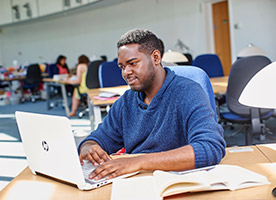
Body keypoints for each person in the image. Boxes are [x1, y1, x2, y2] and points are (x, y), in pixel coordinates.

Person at [79, 29, 226, 181]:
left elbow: (210, 148)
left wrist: (138, 162)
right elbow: (98, 138)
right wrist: (89, 147)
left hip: (177, 181)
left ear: (155, 57)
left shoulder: (188, 92)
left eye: (132, 63)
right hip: (136, 182)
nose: (126, 72)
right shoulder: (126, 101)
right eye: (122, 67)